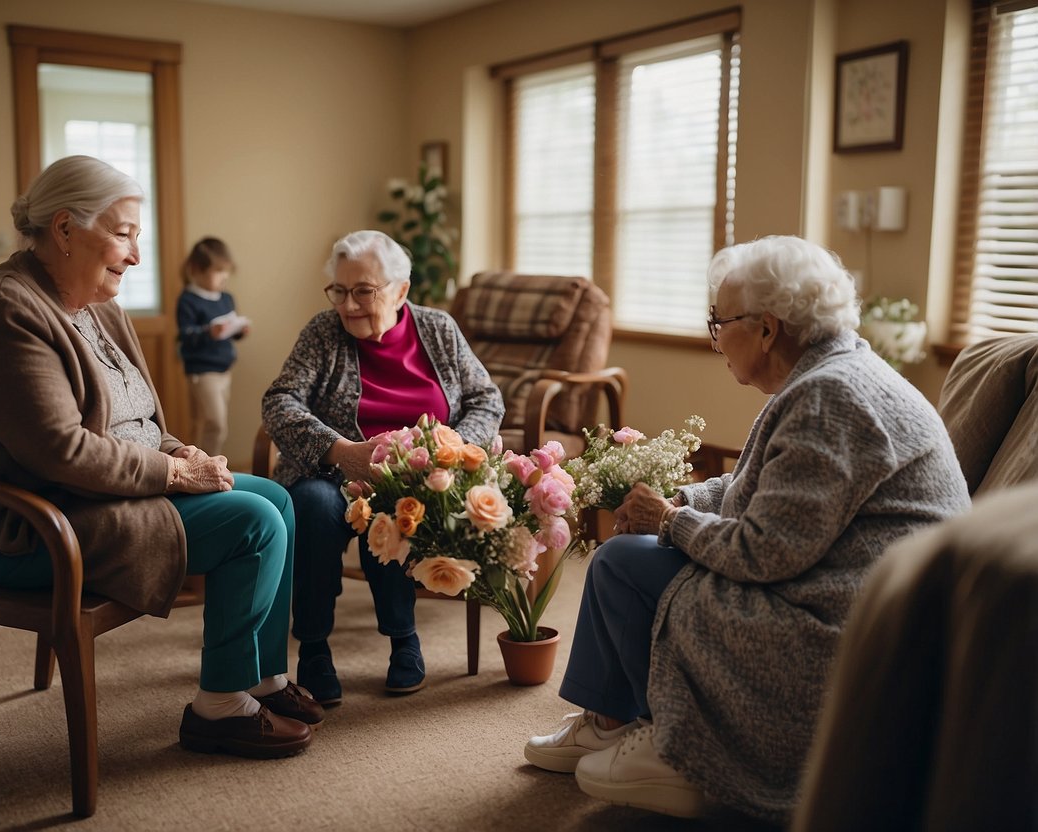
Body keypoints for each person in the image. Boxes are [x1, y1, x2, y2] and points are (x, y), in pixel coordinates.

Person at [523, 235, 971, 823]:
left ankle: (675, 748)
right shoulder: (832, 374)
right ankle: (611, 722)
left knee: (622, 563)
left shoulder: (829, 397)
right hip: (842, 584)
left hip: (845, 620)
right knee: (629, 552)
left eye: (719, 321)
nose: (714, 339)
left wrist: (672, 520)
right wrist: (683, 498)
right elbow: (758, 492)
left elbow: (763, 550)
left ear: (767, 328)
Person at [0, 155, 322, 760]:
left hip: (96, 498)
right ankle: (218, 706)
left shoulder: (97, 304)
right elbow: (60, 450)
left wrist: (179, 449)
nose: (136, 256)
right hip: (33, 526)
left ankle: (262, 677)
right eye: (123, 234)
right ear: (63, 229)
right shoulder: (5, 312)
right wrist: (174, 471)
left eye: (137, 237)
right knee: (253, 522)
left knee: (276, 495)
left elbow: (137, 419)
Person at [262, 229, 504, 704]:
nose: (348, 305)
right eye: (340, 291)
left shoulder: (438, 329)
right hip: (332, 473)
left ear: (400, 290)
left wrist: (450, 449)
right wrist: (340, 450)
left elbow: (485, 399)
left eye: (363, 291)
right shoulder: (322, 332)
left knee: (400, 505)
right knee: (310, 504)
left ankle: (403, 638)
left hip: (420, 471)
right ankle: (313, 647)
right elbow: (279, 401)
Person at [177, 236, 249, 457]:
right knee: (216, 426)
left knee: (207, 423)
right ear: (197, 269)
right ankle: (206, 468)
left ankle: (198, 462)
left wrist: (238, 331)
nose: (224, 277)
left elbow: (227, 332)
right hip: (203, 372)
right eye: (218, 271)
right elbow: (186, 336)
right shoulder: (188, 300)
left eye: (226, 271)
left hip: (224, 371)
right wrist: (209, 332)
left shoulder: (226, 298)